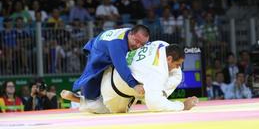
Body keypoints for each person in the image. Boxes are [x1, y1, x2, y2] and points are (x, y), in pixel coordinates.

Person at [62, 41, 198, 113]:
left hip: (112, 71)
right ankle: (80, 100)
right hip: (115, 93)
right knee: (108, 110)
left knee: (174, 77)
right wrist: (182, 106)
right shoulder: (156, 72)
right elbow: (154, 105)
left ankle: (159, 91)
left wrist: (160, 90)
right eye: (177, 64)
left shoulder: (161, 44)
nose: (178, 68)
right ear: (168, 59)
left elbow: (175, 74)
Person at [72, 25, 150, 103]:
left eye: (142, 44)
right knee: (91, 92)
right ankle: (83, 94)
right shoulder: (117, 43)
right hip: (99, 52)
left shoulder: (135, 35)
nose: (138, 46)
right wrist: (134, 85)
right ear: (130, 34)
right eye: (136, 41)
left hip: (109, 44)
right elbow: (121, 66)